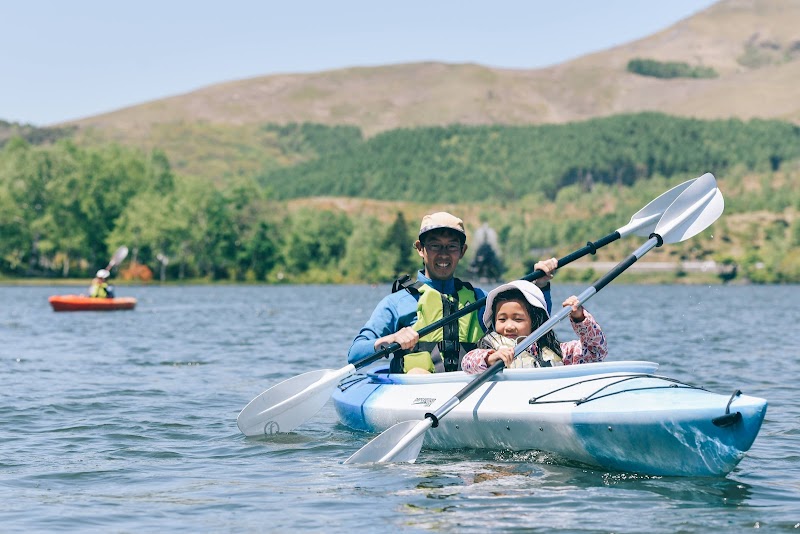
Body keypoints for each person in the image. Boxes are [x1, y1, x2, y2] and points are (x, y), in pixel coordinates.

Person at [347, 211, 558, 374]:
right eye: (435, 246)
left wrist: (540, 286)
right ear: (421, 249)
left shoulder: (481, 299)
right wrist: (390, 339)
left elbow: (534, 321)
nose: (444, 255)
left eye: (451, 247)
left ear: (462, 251)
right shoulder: (396, 303)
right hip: (416, 390)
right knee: (419, 373)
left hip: (470, 386)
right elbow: (355, 354)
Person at [461, 280, 607, 374]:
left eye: (518, 319)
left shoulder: (559, 351)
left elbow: (596, 352)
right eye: (502, 319)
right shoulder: (489, 349)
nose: (509, 326)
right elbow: (467, 363)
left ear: (536, 321)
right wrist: (491, 359)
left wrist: (580, 318)